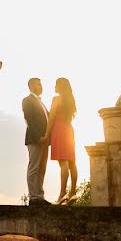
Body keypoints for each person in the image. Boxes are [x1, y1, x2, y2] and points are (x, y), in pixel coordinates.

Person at [45, 77, 78, 205]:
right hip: (69, 129)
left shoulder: (56, 99)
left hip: (58, 129)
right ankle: (73, 193)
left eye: (56, 85)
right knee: (72, 163)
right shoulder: (71, 100)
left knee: (63, 163)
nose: (54, 87)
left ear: (61, 86)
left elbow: (52, 118)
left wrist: (46, 134)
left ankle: (62, 194)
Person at [22, 77, 50, 205]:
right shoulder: (27, 100)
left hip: (45, 140)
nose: (41, 86)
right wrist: (38, 136)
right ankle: (33, 197)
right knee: (34, 167)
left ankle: (40, 197)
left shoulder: (41, 103)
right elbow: (29, 120)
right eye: (39, 84)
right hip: (35, 139)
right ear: (31, 86)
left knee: (42, 169)